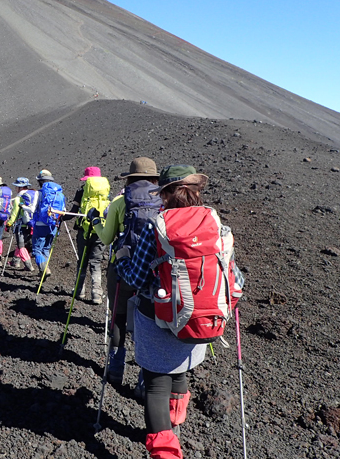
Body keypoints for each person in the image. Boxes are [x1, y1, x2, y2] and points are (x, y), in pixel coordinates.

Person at [116, 165, 244, 459]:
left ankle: (165, 453)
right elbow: (235, 280)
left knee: (156, 386)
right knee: (180, 372)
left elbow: (136, 278)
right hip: (203, 324)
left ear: (164, 194)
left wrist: (122, 258)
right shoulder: (217, 225)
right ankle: (174, 423)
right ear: (196, 192)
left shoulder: (156, 226)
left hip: (158, 319)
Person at [88, 157, 160, 383]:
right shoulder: (164, 201)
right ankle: (143, 379)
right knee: (148, 322)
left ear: (130, 179)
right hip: (155, 272)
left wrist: (95, 221)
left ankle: (116, 371)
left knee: (118, 318)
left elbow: (107, 238)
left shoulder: (120, 202)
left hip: (123, 269)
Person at [63, 166, 110, 304]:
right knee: (96, 262)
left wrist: (60, 217)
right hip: (100, 230)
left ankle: (79, 291)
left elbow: (73, 212)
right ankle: (97, 293)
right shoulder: (105, 192)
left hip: (84, 231)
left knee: (82, 261)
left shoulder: (81, 191)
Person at [29, 169, 65, 276]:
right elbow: (63, 210)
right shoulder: (59, 194)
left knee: (36, 250)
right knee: (46, 248)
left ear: (40, 181)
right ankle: (46, 268)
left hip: (40, 224)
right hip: (53, 224)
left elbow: (32, 209)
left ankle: (44, 269)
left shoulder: (38, 193)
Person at [6, 177, 36, 271]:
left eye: (16, 187)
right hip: (33, 224)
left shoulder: (18, 198)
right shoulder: (34, 195)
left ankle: (29, 265)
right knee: (22, 244)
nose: (15, 188)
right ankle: (15, 262)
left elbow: (14, 213)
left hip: (21, 225)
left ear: (20, 187)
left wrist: (9, 223)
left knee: (21, 245)